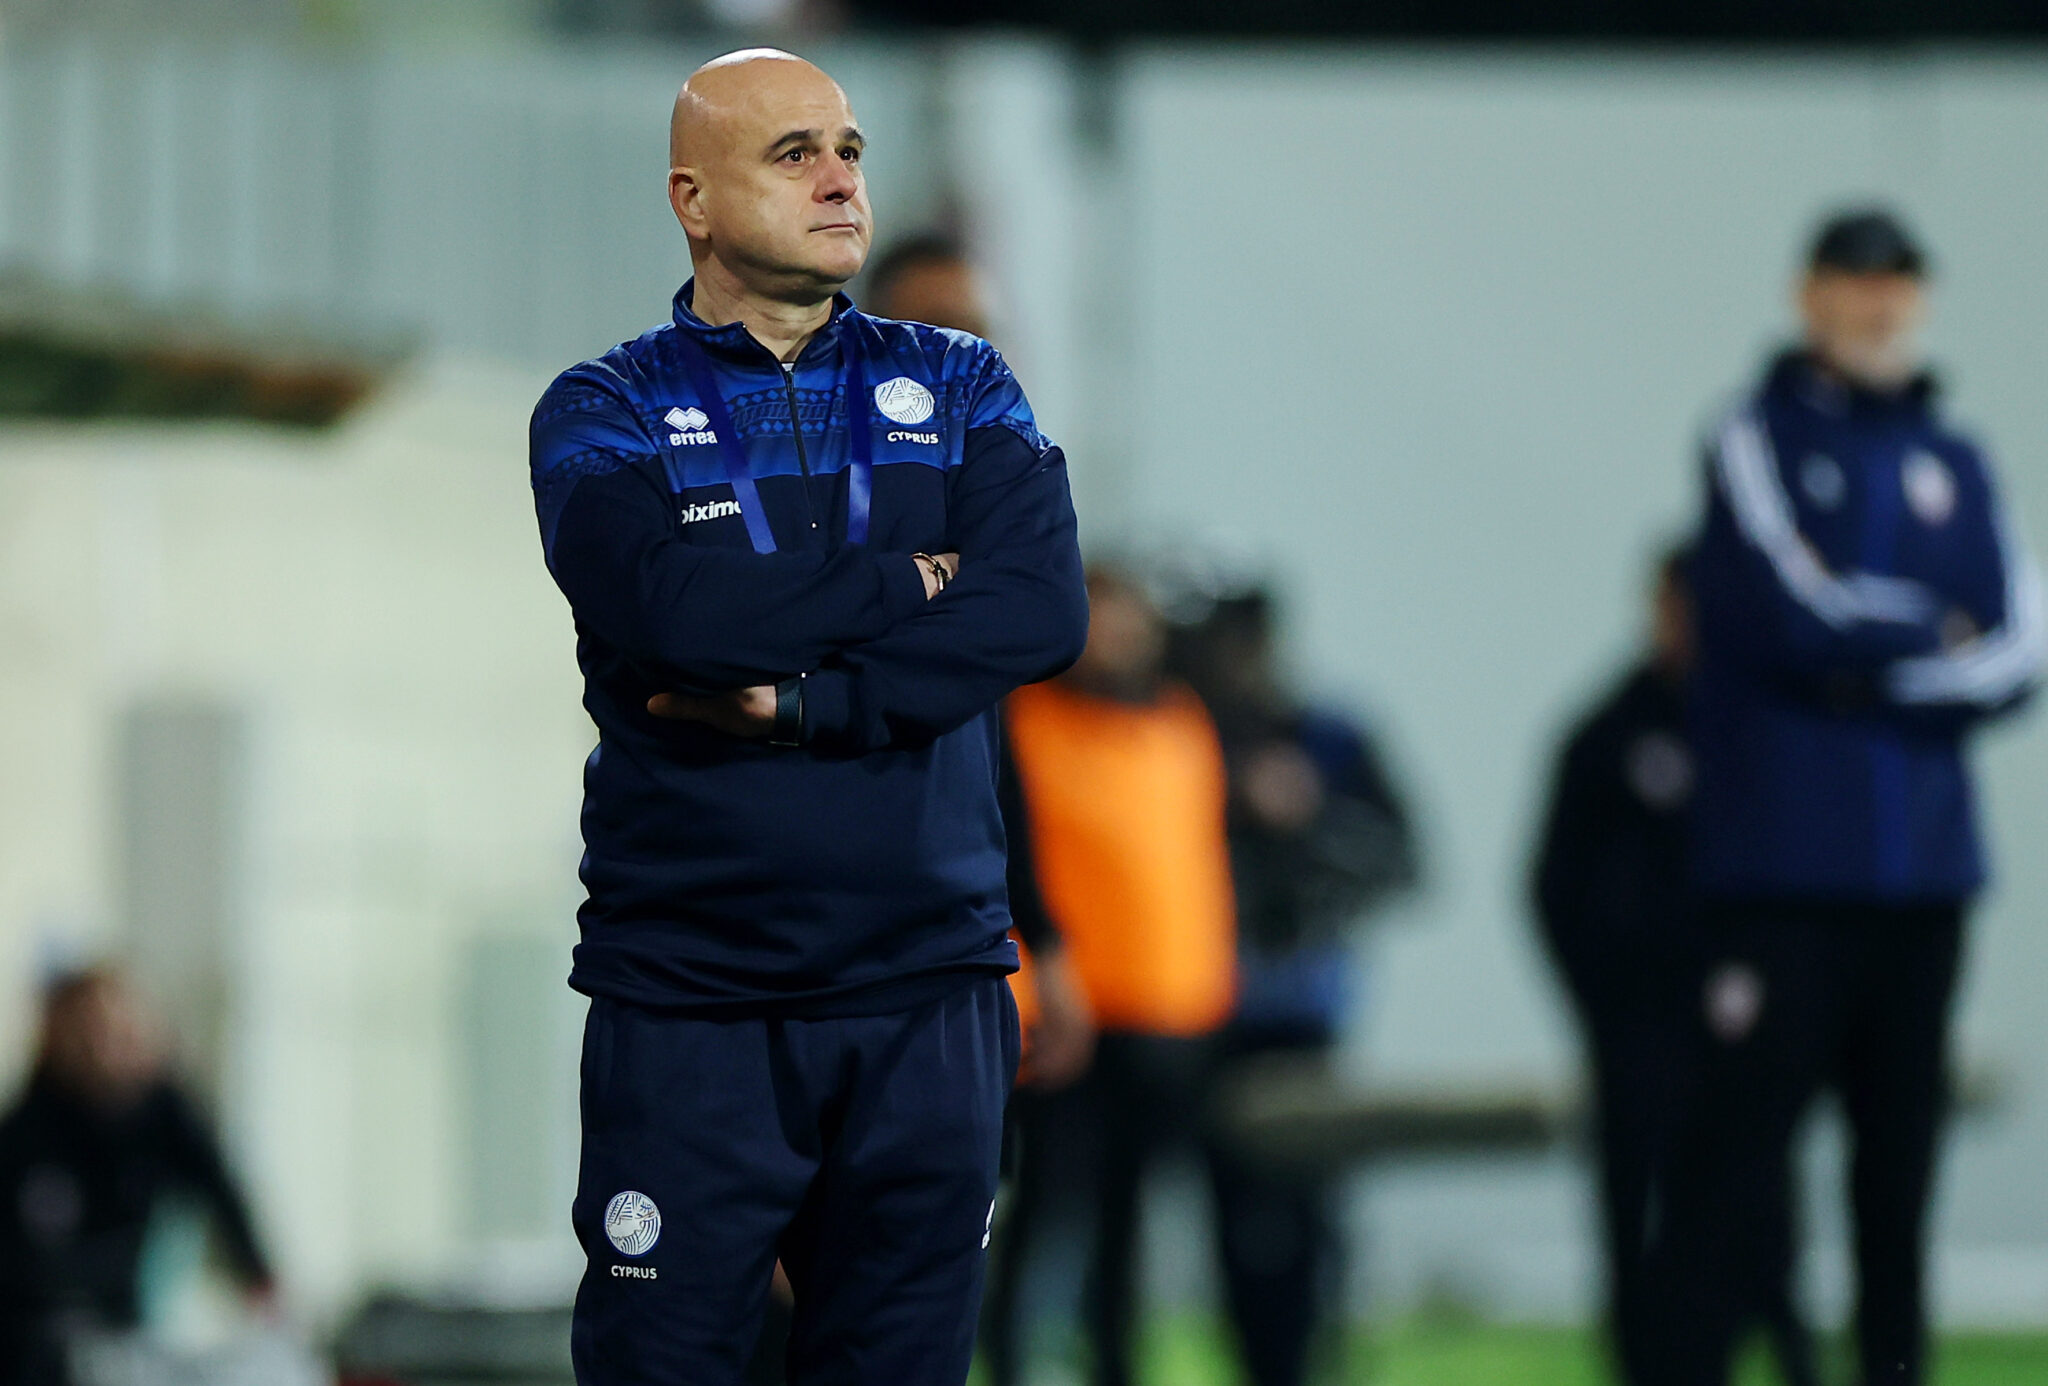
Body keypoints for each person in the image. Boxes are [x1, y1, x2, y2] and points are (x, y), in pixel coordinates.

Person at [526, 49, 1088, 1386]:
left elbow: (1036, 611)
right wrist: (912, 580)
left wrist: (805, 704)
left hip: (927, 994)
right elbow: (673, 614)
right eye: (794, 154)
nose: (840, 179)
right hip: (694, 1001)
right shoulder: (604, 408)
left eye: (849, 150)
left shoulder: (961, 385)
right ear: (693, 200)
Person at [1649, 209, 2043, 1386]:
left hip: (1922, 877)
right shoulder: (1753, 435)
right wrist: (1927, 629)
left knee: (1898, 1177)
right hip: (1782, 877)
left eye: (1895, 285)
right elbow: (1784, 612)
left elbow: (2014, 651)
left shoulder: (1954, 460)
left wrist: (1860, 672)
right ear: (1806, 293)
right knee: (1736, 1164)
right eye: (1853, 282)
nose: (1876, 307)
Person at [1531, 547, 1814, 1386]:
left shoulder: (1765, 724)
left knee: (1758, 1207)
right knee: (1637, 1209)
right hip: (1639, 1025)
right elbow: (1555, 886)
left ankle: (1785, 1352)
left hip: (1744, 1026)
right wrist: (1603, 999)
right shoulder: (1609, 731)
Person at [1168, 581, 1418, 1386]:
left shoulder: (1331, 737)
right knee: (1230, 1214)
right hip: (1205, 1008)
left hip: (1306, 1010)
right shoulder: (1182, 737)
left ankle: (1308, 1362)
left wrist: (1309, 818)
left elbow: (1403, 859)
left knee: (1310, 1213)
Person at [1000, 565, 1237, 1386]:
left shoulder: (1183, 722)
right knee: (1043, 1205)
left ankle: (1117, 1363)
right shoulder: (1021, 720)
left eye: (1130, 621)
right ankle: (1012, 1359)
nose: (1118, 638)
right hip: (1063, 1014)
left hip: (1167, 1013)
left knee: (1129, 1213)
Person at [0, 968, 274, 1386]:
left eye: (111, 1031)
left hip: (121, 1317)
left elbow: (221, 1186)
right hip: (31, 1321)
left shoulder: (164, 1111)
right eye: (85, 1032)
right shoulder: (27, 1126)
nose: (99, 1048)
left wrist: (259, 1274)